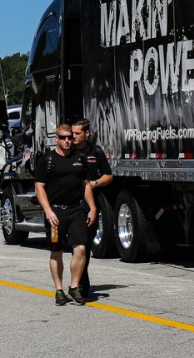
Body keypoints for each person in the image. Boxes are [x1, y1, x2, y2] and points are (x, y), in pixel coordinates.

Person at [34, 123, 96, 306]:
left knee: (81, 248)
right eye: (63, 138)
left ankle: (74, 286)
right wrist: (48, 211)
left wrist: (92, 208)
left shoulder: (80, 159)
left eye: (70, 137)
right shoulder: (47, 160)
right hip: (56, 212)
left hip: (76, 210)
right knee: (56, 252)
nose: (68, 141)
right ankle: (59, 290)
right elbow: (39, 187)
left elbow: (85, 185)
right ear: (57, 139)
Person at [71, 118, 113, 300]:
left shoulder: (95, 152)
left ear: (87, 134)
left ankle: (81, 283)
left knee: (85, 245)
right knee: (77, 245)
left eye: (77, 133)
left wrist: (94, 183)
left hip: (91, 205)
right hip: (71, 204)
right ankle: (79, 284)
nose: (73, 137)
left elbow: (108, 176)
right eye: (72, 133)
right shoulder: (68, 151)